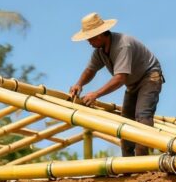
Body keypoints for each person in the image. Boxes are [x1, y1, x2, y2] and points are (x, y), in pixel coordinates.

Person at [68, 12, 165, 157]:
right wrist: (79, 84)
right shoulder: (100, 51)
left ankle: (143, 163)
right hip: (133, 84)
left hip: (149, 77)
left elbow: (120, 78)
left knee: (142, 115)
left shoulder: (122, 45)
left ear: (99, 35)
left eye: (90, 38)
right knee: (125, 121)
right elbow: (90, 69)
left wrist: (96, 94)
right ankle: (127, 163)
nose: (88, 42)